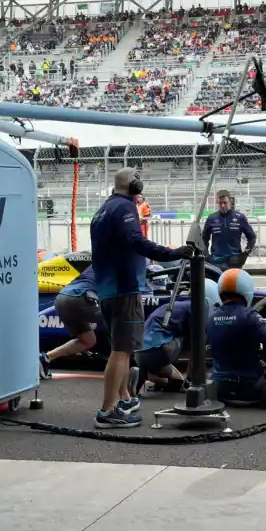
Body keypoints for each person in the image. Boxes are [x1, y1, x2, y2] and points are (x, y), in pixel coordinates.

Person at [90, 168, 193, 428]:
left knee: (120, 350)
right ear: (135, 185)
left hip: (108, 290)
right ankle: (107, 410)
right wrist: (173, 253)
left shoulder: (102, 210)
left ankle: (122, 400)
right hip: (124, 290)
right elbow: (136, 241)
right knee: (121, 352)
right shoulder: (125, 208)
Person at [206, 268, 266, 412]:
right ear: (246, 291)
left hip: (221, 385)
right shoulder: (250, 316)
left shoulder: (211, 318)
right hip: (249, 384)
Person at [130, 279, 220, 396]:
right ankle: (146, 374)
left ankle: (141, 375)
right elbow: (197, 347)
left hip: (141, 352)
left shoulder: (176, 304)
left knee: (177, 382)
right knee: (198, 339)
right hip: (158, 349)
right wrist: (191, 379)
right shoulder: (199, 306)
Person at [38, 265, 101, 379]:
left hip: (62, 298)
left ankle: (45, 358)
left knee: (88, 340)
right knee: (119, 320)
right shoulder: (117, 261)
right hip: (80, 299)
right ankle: (119, 361)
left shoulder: (97, 262)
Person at [202, 189, 257, 271]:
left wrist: (245, 253)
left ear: (230, 202)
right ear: (217, 203)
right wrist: (206, 255)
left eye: (225, 203)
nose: (223, 205)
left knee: (233, 284)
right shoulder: (211, 218)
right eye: (220, 203)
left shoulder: (240, 218)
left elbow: (252, 237)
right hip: (216, 261)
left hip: (234, 261)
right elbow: (203, 238)